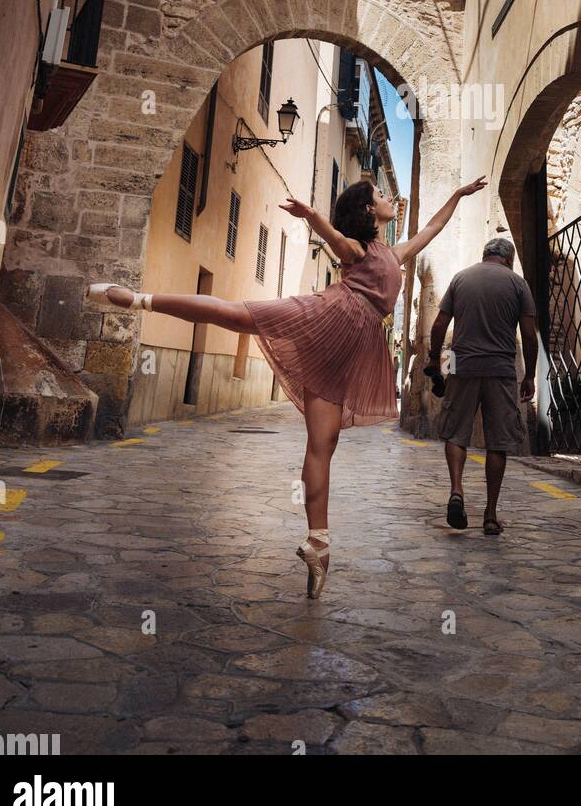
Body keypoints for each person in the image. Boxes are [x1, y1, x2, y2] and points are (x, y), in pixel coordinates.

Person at [88, 174, 487, 598]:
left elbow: (432, 229)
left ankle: (318, 542)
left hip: (350, 345)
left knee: (323, 444)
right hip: (330, 316)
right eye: (381, 194)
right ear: (369, 210)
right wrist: (312, 215)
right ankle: (138, 299)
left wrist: (458, 196)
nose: (390, 198)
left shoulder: (392, 253)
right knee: (234, 314)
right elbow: (336, 240)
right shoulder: (360, 250)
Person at [429, 238, 538, 536]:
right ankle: (490, 515)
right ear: (509, 258)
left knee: (455, 432)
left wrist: (433, 359)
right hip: (500, 370)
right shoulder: (518, 284)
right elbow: (529, 334)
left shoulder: (461, 278)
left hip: (463, 365)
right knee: (498, 442)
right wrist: (529, 374)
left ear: (484, 254)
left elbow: (439, 325)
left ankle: (456, 491)